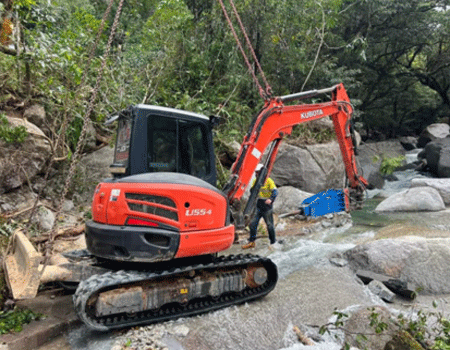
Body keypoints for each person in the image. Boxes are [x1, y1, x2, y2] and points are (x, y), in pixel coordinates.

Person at [242, 164, 278, 249]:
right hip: (258, 205)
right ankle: (251, 241)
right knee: (253, 223)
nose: (256, 174)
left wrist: (271, 199)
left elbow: (275, 192)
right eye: (256, 172)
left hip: (267, 207)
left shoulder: (269, 181)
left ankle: (273, 242)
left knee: (269, 225)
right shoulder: (256, 181)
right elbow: (252, 191)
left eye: (258, 172)